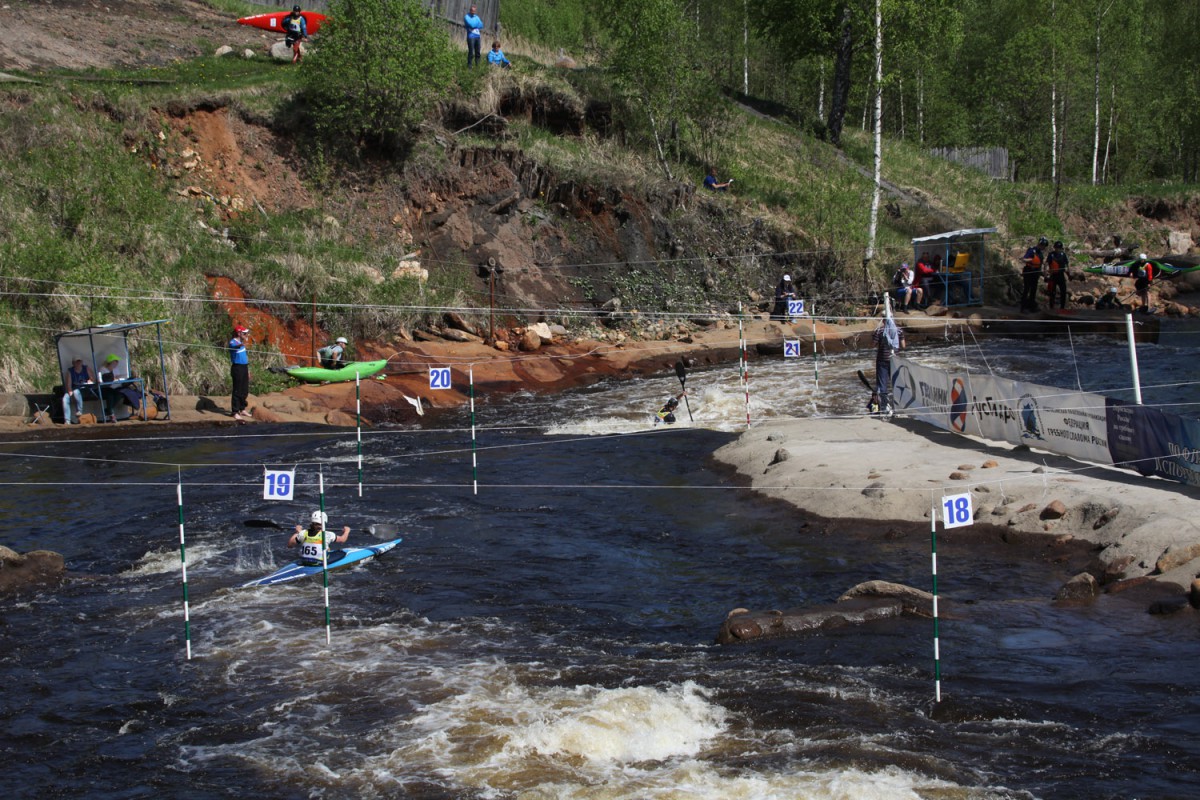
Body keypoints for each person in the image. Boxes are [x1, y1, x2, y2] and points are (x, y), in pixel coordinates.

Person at [871, 317, 905, 417]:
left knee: (882, 385)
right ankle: (897, 407)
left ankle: (884, 407)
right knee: (896, 384)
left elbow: (873, 345)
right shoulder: (899, 330)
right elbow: (903, 345)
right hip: (895, 360)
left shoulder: (879, 331)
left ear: (884, 321)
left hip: (882, 360)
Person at [61, 357, 95, 424]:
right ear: (73, 363)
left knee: (76, 392)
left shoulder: (86, 368)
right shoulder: (70, 371)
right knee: (65, 399)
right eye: (77, 362)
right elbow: (68, 384)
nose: (78, 363)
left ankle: (79, 411)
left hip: (85, 389)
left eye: (80, 361)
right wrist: (70, 391)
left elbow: (92, 379)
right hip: (73, 389)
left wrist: (90, 380)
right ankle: (67, 420)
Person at [1020, 237, 1048, 312]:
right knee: (1026, 289)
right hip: (1029, 271)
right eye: (1043, 246)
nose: (1044, 247)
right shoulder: (1032, 250)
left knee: (1033, 290)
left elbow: (1040, 263)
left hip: (1036, 273)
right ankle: (1022, 308)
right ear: (1040, 244)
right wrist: (1032, 260)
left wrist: (1043, 273)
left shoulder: (1040, 253)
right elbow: (1024, 259)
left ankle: (1031, 306)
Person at [229, 324, 250, 421]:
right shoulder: (233, 342)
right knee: (237, 390)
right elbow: (233, 346)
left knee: (244, 390)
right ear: (239, 333)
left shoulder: (241, 343)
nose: (246, 335)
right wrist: (241, 345)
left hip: (244, 367)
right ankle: (235, 412)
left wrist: (248, 371)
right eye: (244, 333)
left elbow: (244, 358)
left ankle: (242, 409)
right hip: (237, 368)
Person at [1045, 240, 1069, 310]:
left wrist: (1068, 272)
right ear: (1054, 248)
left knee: (1063, 291)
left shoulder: (1063, 255)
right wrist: (1045, 273)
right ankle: (1051, 306)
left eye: (1059, 248)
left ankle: (1062, 307)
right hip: (1053, 275)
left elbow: (1067, 264)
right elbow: (1046, 263)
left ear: (1061, 248)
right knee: (1052, 291)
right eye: (1056, 248)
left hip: (1061, 275)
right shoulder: (1051, 254)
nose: (1057, 249)